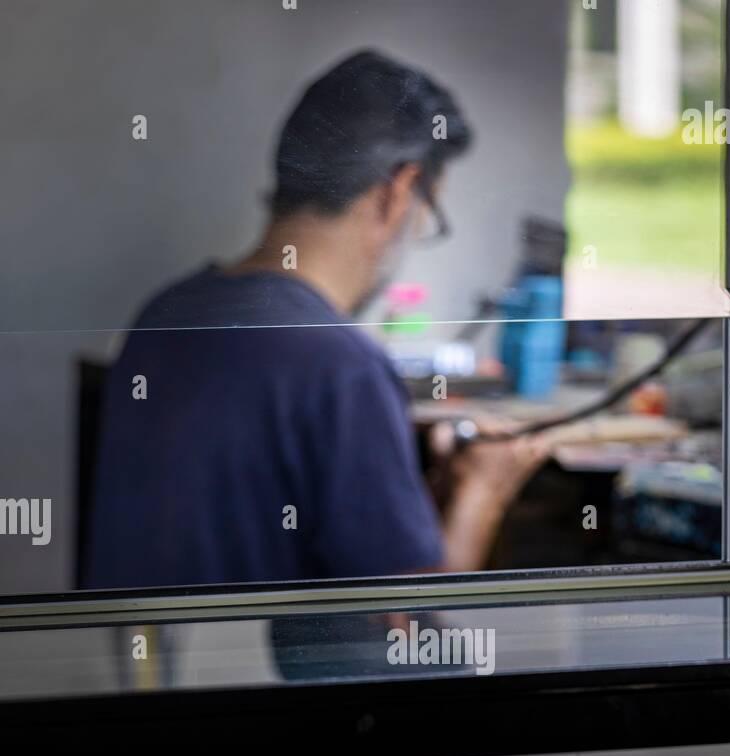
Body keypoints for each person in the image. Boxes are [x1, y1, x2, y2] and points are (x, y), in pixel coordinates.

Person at [86, 49, 549, 590]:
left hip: (153, 672)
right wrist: (482, 496)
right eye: (429, 214)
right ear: (398, 192)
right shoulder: (340, 367)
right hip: (257, 677)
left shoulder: (166, 313)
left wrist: (427, 496)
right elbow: (412, 635)